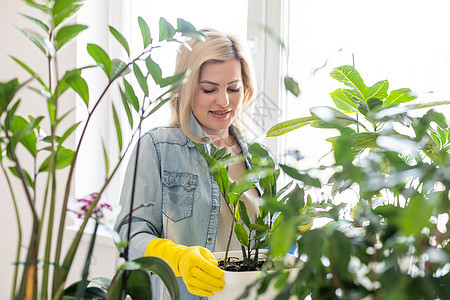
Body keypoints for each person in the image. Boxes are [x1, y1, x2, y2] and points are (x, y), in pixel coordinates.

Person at [114, 29, 259, 300]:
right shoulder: (157, 148)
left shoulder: (260, 160)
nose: (224, 101)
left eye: (233, 88)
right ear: (186, 88)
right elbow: (128, 235)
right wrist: (177, 258)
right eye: (209, 89)